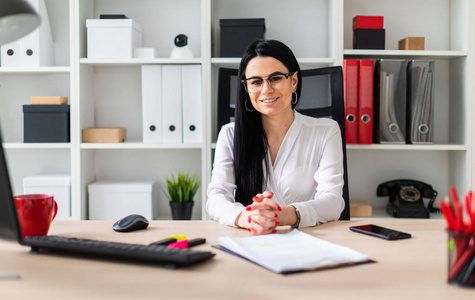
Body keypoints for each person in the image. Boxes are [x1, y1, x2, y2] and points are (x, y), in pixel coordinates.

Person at [207, 39, 345, 235]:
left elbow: (333, 201)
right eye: (255, 82)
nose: (266, 90)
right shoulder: (230, 134)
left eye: (276, 78)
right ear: (246, 88)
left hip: (307, 240)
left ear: (294, 80)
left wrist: (285, 215)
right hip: (248, 240)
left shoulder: (326, 131)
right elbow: (216, 197)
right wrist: (247, 217)